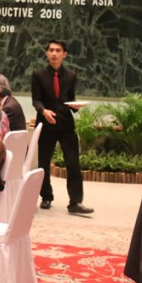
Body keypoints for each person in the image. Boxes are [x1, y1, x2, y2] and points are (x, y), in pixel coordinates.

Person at [32, 40, 93, 215]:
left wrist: (75, 106)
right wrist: (44, 111)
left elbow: (70, 99)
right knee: (44, 163)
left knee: (73, 163)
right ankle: (46, 196)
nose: (54, 53)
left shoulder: (71, 75)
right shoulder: (38, 74)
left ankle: (75, 202)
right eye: (51, 50)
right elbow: (36, 100)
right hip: (46, 123)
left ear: (64, 54)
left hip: (66, 124)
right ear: (47, 53)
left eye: (58, 50)